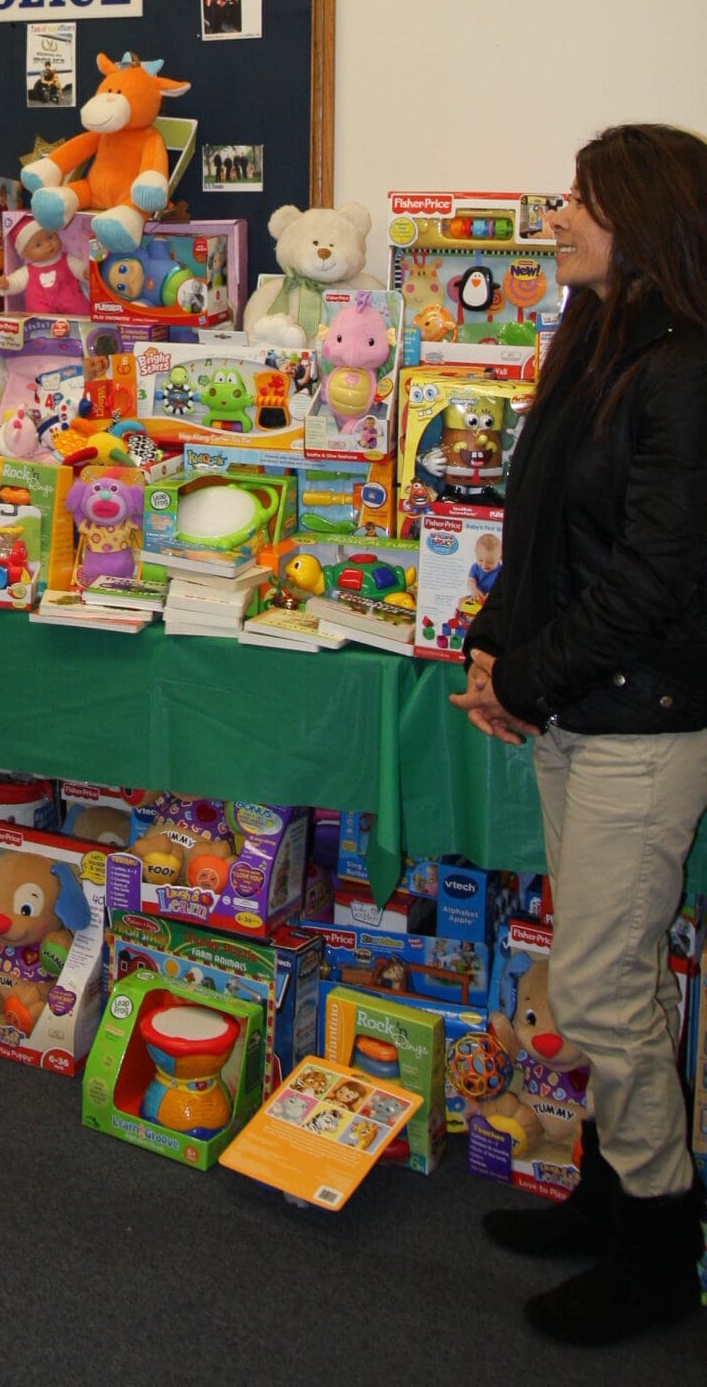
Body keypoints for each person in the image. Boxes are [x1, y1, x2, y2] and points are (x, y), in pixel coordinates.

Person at [450, 123, 707, 1347]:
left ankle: (660, 1243)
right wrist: (490, 648)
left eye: (575, 200)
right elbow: (538, 526)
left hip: (640, 723)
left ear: (643, 218)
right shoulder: (592, 337)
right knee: (610, 974)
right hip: (577, 704)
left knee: (604, 991)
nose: (551, 218)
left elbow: (654, 579)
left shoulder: (686, 367)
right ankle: (611, 1195)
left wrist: (530, 682)